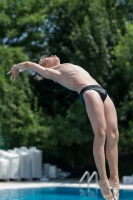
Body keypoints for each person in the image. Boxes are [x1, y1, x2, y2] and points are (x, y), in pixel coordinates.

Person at [7, 55, 119, 200]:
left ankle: (114, 178)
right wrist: (16, 66)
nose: (52, 55)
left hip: (101, 90)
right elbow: (29, 64)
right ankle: (103, 180)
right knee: (101, 133)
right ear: (45, 64)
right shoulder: (50, 72)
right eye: (47, 57)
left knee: (114, 134)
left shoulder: (66, 64)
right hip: (88, 91)